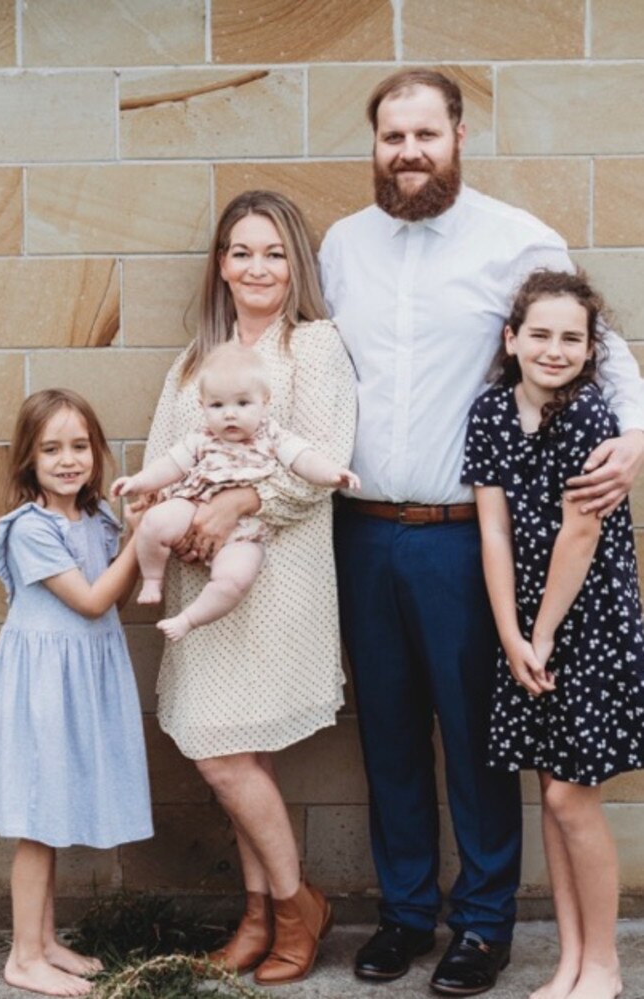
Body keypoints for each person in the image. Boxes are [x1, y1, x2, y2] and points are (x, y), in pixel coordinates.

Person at [319, 68, 644, 995]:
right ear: (375, 144)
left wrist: (636, 440)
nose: (409, 152)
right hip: (367, 530)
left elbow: (602, 347)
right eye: (392, 137)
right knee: (385, 734)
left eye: (426, 134)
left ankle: (484, 924)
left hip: (471, 537)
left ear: (459, 135)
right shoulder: (345, 245)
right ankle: (406, 913)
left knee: (476, 737)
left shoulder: (516, 240)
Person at [141, 190, 356, 985]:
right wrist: (188, 512)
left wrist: (236, 499)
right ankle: (263, 915)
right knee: (235, 752)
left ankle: (295, 907)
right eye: (241, 251)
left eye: (272, 252)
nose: (256, 266)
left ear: (294, 262)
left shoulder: (315, 347)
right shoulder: (197, 358)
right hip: (202, 577)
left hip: (281, 572)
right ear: (221, 265)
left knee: (230, 755)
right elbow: (166, 450)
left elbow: (324, 461)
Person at [462, 268, 644, 999]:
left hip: (586, 619)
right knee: (549, 791)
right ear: (512, 339)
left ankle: (603, 962)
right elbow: (494, 531)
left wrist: (537, 633)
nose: (555, 348)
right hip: (526, 628)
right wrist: (509, 632)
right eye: (540, 333)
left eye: (572, 337)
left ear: (591, 348)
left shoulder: (592, 417)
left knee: (574, 798)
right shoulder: (489, 413)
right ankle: (570, 959)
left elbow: (579, 533)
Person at [0, 389, 153, 998]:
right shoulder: (29, 529)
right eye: (51, 448)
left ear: (97, 451)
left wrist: (134, 530)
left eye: (80, 446)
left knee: (53, 811)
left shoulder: (94, 520)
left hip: (81, 680)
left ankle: (48, 939)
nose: (68, 459)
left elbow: (113, 568)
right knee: (37, 820)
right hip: (43, 687)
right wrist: (141, 543)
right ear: (28, 460)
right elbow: (91, 601)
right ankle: (22, 957)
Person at [112, 343, 359, 642]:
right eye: (218, 406)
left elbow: (304, 459)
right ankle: (153, 578)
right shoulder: (201, 438)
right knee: (155, 522)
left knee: (235, 581)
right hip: (195, 504)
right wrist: (138, 482)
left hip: (246, 531)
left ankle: (188, 619)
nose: (230, 415)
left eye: (242, 404)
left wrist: (333, 473)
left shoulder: (272, 435)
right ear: (202, 406)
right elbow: (169, 466)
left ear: (264, 402)